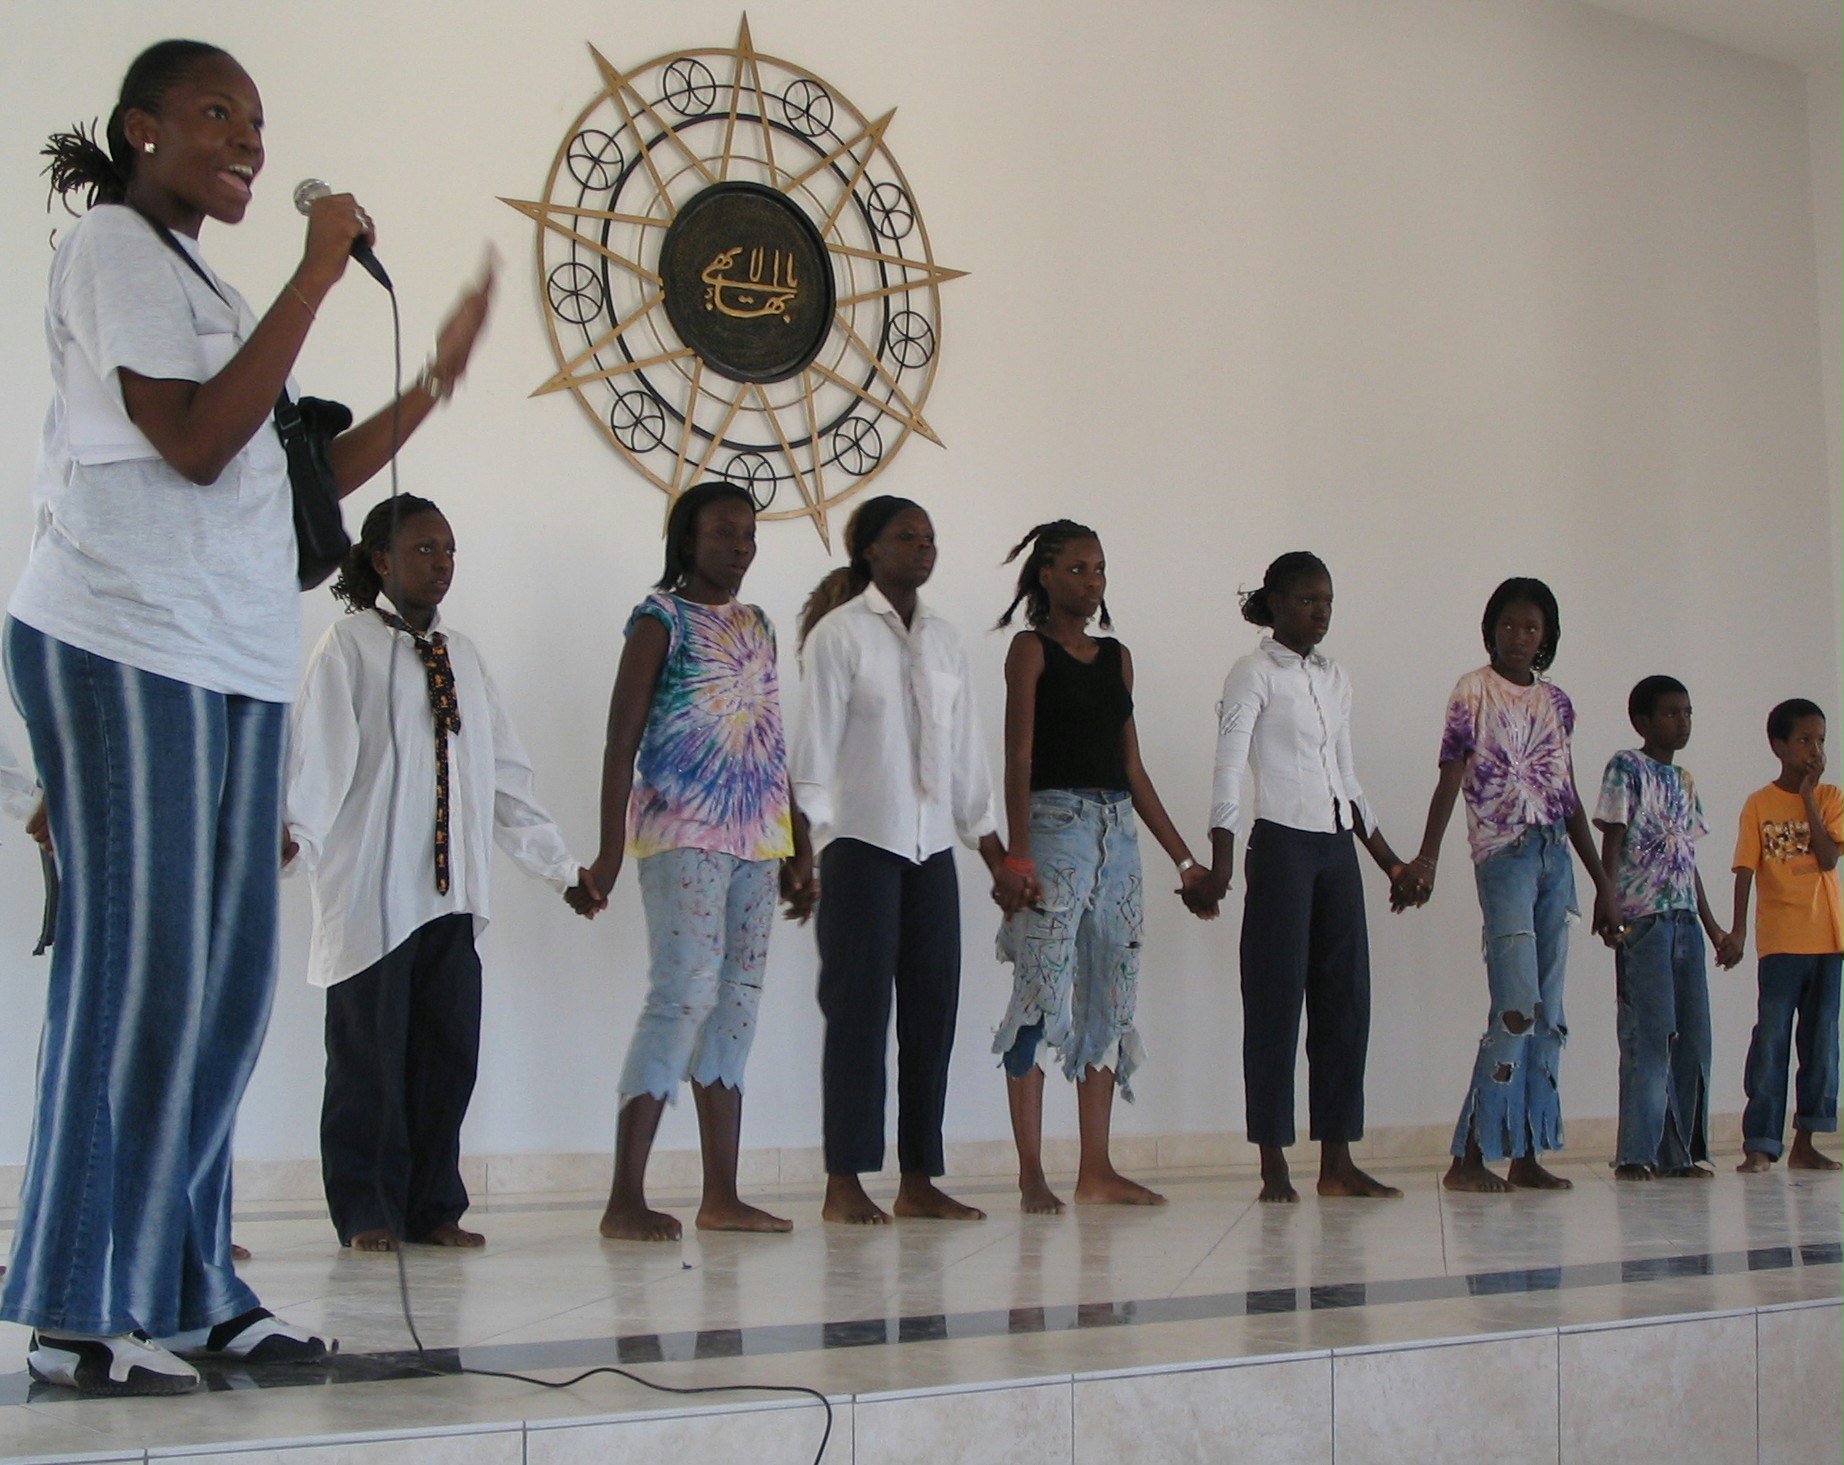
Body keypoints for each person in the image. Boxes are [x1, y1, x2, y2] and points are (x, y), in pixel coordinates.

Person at [4, 40, 490, 1395]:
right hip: (117, 641)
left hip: (227, 658)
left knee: (220, 990)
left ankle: (189, 1284)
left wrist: (429, 391)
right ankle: (75, 1306)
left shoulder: (205, 286)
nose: (249, 139)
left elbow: (289, 487)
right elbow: (196, 439)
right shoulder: (109, 246)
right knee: (135, 971)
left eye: (260, 119)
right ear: (140, 127)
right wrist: (322, 267)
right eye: (217, 111)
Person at [286, 497, 596, 1252]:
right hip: (372, 896)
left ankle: (432, 1206)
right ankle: (365, 1209)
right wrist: (294, 833)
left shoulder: (463, 654)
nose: (441, 563)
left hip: (451, 897)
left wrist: (560, 870)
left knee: (445, 1056)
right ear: (381, 561)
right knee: (368, 1064)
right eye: (424, 549)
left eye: (449, 549)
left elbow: (505, 777)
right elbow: (317, 762)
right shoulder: (348, 647)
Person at [792, 496, 1034, 1225]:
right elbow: (812, 758)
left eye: (930, 536)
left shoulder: (945, 639)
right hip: (861, 848)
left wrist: (994, 855)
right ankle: (844, 1180)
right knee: (858, 1015)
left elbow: (967, 761)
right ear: (868, 548)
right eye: (906, 536)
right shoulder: (837, 636)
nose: (923, 547)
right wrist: (804, 854)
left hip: (931, 853)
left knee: (933, 1013)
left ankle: (919, 1176)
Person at [588, 482, 814, 1242]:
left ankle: (722, 1194)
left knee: (737, 1000)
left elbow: (771, 737)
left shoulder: (758, 624)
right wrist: (609, 853)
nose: (741, 545)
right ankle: (625, 1197)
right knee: (681, 993)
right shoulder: (659, 620)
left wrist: (796, 843)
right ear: (687, 540)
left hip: (757, 837)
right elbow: (620, 741)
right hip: (682, 831)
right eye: (723, 532)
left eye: (749, 533)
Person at [991, 520, 1208, 1214]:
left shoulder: (1117, 658)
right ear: (1045, 575)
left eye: (1100, 569)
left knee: (1111, 996)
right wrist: (1018, 854)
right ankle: (1031, 1172)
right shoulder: (1029, 651)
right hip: (1054, 828)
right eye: (1078, 568)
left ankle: (1096, 1167)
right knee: (1038, 991)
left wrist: (1183, 858)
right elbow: (1018, 757)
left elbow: (1133, 767)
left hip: (1117, 832)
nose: (1092, 581)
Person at [1399, 577, 1619, 1194]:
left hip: (1556, 859)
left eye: (1531, 627)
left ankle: (1526, 1152)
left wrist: (1603, 883)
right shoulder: (1472, 691)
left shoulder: (1557, 702)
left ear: (1546, 636)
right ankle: (1469, 1154)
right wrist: (1427, 858)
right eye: (1508, 625)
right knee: (1516, 1007)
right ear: (1490, 628)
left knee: (1549, 1013)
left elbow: (1568, 794)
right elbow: (1450, 776)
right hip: (1505, 858)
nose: (1518, 637)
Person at [1203, 552, 1410, 1203]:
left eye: (1326, 601)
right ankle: (1272, 1160)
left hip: (1336, 852)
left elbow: (1346, 777)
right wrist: (1220, 860)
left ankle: (1338, 1159)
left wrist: (1390, 860)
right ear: (1277, 602)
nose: (1319, 612)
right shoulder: (1252, 672)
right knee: (1273, 1002)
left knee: (1344, 1003)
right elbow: (1229, 765)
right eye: (1305, 600)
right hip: (1282, 849)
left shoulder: (1335, 677)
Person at [1593, 676, 1741, 1181]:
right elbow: (1613, 837)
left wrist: (1714, 925)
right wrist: (1606, 895)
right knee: (1648, 1038)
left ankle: (1679, 1153)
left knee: (1693, 1039)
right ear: (1642, 721)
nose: (1683, 722)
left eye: (1688, 712)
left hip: (1684, 923)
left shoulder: (1685, 781)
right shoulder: (1625, 766)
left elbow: (1685, 858)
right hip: (1644, 922)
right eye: (1671, 713)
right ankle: (1637, 1152)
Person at [1731, 698, 1844, 1174]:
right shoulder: (1759, 804)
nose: (1814, 750)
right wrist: (1736, 931)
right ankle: (1760, 1143)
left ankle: (1806, 1141)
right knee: (1772, 1040)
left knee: (1821, 1043)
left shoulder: (1832, 797)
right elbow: (1745, 870)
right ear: (1778, 745)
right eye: (1803, 741)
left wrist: (1808, 796)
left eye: (1820, 741)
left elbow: (1827, 858)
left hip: (1828, 942)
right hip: (1780, 943)